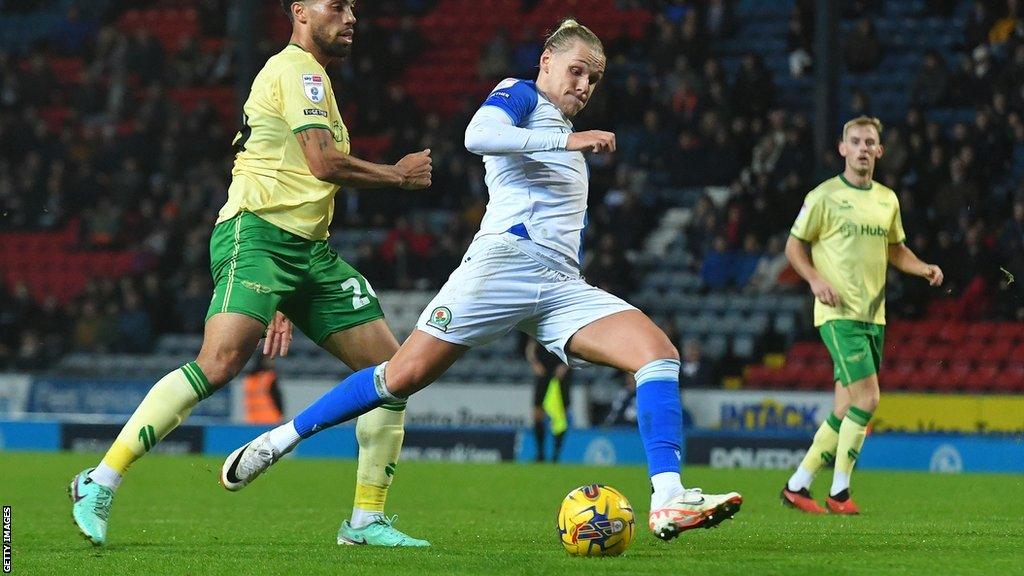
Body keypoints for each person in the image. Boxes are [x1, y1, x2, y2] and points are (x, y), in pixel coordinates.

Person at [222, 18, 742, 541]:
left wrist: (566, 141)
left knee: (658, 354)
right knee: (401, 377)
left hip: (561, 284)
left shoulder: (557, 129)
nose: (583, 86)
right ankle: (279, 440)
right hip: (504, 265)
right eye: (576, 71)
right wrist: (567, 140)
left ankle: (669, 499)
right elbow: (477, 135)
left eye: (593, 80)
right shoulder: (519, 94)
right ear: (546, 63)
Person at [69, 0, 433, 547]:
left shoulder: (314, 79)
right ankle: (99, 479)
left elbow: (298, 176)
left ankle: (364, 521)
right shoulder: (298, 70)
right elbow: (323, 164)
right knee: (219, 362)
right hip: (257, 234)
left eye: (354, 6)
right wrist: (399, 177)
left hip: (310, 251)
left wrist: (283, 295)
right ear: (301, 12)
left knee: (395, 372)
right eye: (337, 5)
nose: (351, 16)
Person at [780, 116, 944, 515]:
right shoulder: (824, 196)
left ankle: (797, 485)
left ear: (880, 150)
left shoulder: (887, 199)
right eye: (855, 141)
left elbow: (896, 249)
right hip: (838, 313)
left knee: (844, 407)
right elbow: (793, 247)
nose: (863, 148)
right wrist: (815, 280)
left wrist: (922, 267)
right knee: (869, 398)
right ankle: (839, 492)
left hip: (874, 316)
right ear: (842, 149)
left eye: (870, 142)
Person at [522, 334, 572, 462]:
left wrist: (565, 366)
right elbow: (530, 347)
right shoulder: (539, 325)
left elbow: (573, 347)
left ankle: (556, 454)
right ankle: (540, 453)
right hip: (543, 373)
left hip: (561, 374)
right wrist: (534, 363)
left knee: (560, 415)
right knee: (538, 413)